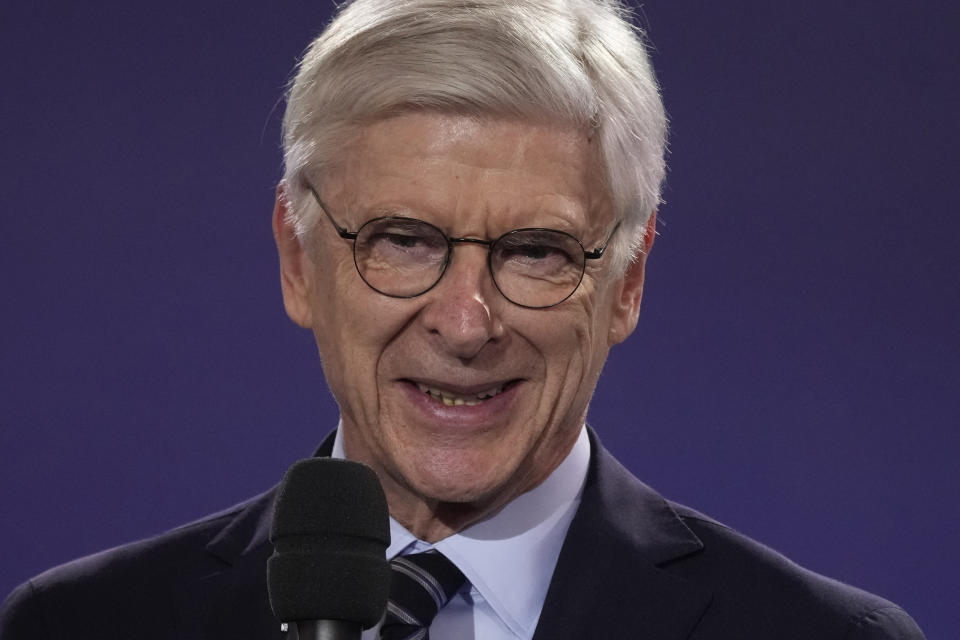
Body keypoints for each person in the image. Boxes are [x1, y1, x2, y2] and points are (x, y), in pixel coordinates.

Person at [0, 0, 926, 638]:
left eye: (536, 251)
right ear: (298, 261)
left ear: (628, 284)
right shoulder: (81, 627)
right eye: (402, 239)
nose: (467, 321)